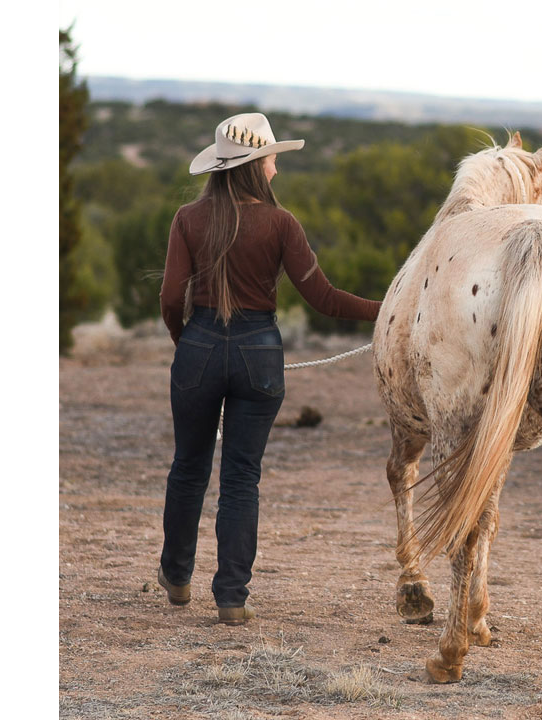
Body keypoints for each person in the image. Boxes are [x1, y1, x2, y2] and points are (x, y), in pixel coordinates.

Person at [156, 113, 382, 625]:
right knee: (241, 477)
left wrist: (185, 339)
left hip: (199, 346)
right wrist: (388, 308)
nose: (277, 168)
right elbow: (325, 300)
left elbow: (172, 297)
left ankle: (176, 575)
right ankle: (232, 598)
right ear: (256, 165)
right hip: (261, 351)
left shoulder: (187, 219)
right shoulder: (282, 225)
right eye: (274, 159)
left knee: (188, 466)